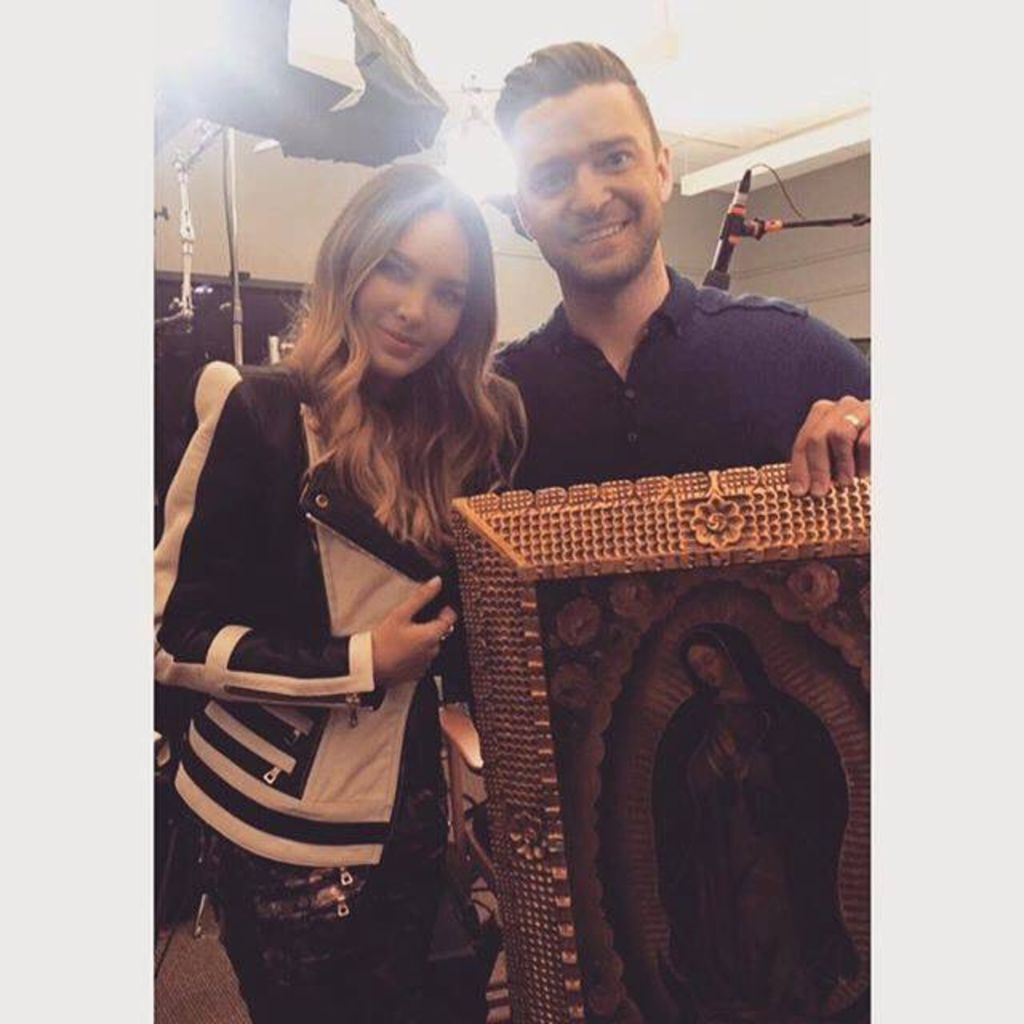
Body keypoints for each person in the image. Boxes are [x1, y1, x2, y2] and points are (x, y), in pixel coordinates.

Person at [154, 163, 525, 1024]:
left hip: (411, 813)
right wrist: (360, 662)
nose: (414, 310)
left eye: (448, 292)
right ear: (350, 261)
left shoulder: (465, 434)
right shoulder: (260, 411)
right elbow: (172, 635)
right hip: (275, 827)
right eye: (395, 268)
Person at [492, 42, 870, 494]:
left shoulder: (796, 351)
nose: (590, 200)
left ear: (661, 171)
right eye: (551, 177)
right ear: (524, 212)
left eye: (615, 159)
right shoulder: (489, 411)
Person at [652, 624, 857, 1023]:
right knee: (726, 921)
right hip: (717, 844)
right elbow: (678, 790)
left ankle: (785, 999)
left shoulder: (782, 714)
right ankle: (736, 1002)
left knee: (769, 909)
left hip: (770, 839)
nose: (706, 672)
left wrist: (764, 771)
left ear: (731, 655)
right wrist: (711, 770)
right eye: (697, 667)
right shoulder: (696, 721)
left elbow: (816, 783)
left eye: (709, 660)